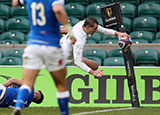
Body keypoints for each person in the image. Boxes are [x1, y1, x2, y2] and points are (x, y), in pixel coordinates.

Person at [12, 0, 76, 115]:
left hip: (33, 46)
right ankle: (64, 113)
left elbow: (15, 3)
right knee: (61, 84)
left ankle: (18, 106)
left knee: (27, 83)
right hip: (51, 46)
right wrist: (70, 32)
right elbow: (58, 10)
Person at [60, 17, 130, 77]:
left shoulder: (83, 23)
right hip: (64, 57)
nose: (96, 30)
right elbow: (77, 62)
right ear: (87, 27)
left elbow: (103, 30)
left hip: (65, 45)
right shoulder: (79, 40)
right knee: (86, 64)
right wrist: (93, 72)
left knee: (95, 66)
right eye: (95, 28)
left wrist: (118, 33)